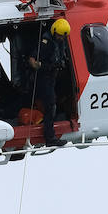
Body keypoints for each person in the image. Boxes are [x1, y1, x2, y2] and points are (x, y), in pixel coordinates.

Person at [27, 18, 70, 146]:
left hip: (53, 76)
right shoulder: (45, 43)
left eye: (63, 37)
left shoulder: (60, 41)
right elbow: (32, 58)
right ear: (54, 32)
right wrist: (37, 65)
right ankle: (50, 137)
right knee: (50, 105)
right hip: (44, 77)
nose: (61, 38)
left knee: (55, 101)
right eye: (59, 36)